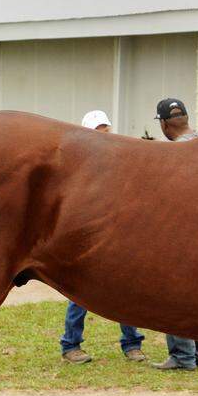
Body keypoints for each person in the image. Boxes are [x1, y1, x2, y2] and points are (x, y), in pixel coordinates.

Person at [59, 110, 146, 364]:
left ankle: (132, 344)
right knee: (80, 296)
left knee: (126, 291)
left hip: (117, 237)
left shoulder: (119, 161)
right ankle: (70, 345)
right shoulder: (77, 167)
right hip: (87, 240)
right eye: (99, 132)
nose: (105, 137)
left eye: (106, 131)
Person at [151, 98, 198, 371]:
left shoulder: (173, 154)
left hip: (181, 234)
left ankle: (182, 356)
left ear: (163, 124)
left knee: (173, 296)